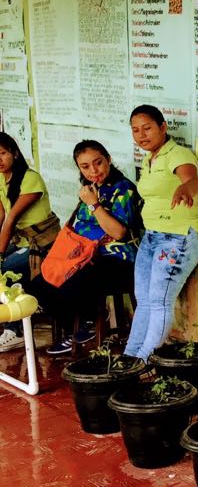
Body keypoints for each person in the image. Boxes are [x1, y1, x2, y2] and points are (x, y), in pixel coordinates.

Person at [28, 141, 142, 354]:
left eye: (98, 163)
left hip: (118, 260)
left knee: (72, 283)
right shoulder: (90, 189)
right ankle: (76, 328)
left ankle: (88, 323)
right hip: (85, 255)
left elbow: (119, 233)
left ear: (108, 159)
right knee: (39, 286)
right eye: (85, 166)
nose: (93, 171)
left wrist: (93, 204)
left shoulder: (123, 189)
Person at [124, 105, 198, 362]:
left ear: (163, 127)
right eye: (135, 130)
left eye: (147, 128)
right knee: (144, 300)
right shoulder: (149, 159)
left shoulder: (178, 155)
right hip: (152, 237)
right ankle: (129, 356)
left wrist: (185, 189)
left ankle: (145, 360)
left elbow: (192, 179)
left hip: (178, 237)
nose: (141, 135)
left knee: (159, 301)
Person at [0, 132, 60, 351]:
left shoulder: (30, 179)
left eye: (2, 154)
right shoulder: (0, 178)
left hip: (43, 244)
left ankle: (15, 331)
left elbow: (11, 218)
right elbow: (0, 216)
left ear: (14, 153)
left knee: (5, 271)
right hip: (21, 242)